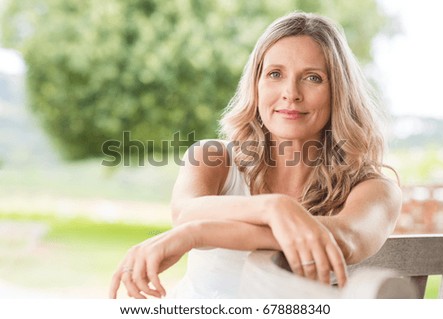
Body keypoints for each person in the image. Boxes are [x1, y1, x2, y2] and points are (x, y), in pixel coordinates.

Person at [109, 11, 401, 299]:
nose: (291, 93)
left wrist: (197, 234)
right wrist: (272, 208)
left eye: (313, 78)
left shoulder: (376, 188)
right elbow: (186, 212)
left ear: (339, 91)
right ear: (256, 85)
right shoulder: (213, 157)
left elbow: (344, 239)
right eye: (275, 74)